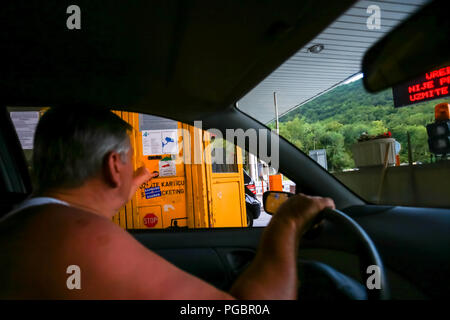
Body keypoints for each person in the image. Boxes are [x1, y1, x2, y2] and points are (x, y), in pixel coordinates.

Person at [0, 107, 335, 299]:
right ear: (115, 167)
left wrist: (116, 195)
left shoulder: (20, 225)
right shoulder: (83, 239)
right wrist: (288, 223)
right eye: (130, 162)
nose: (136, 170)